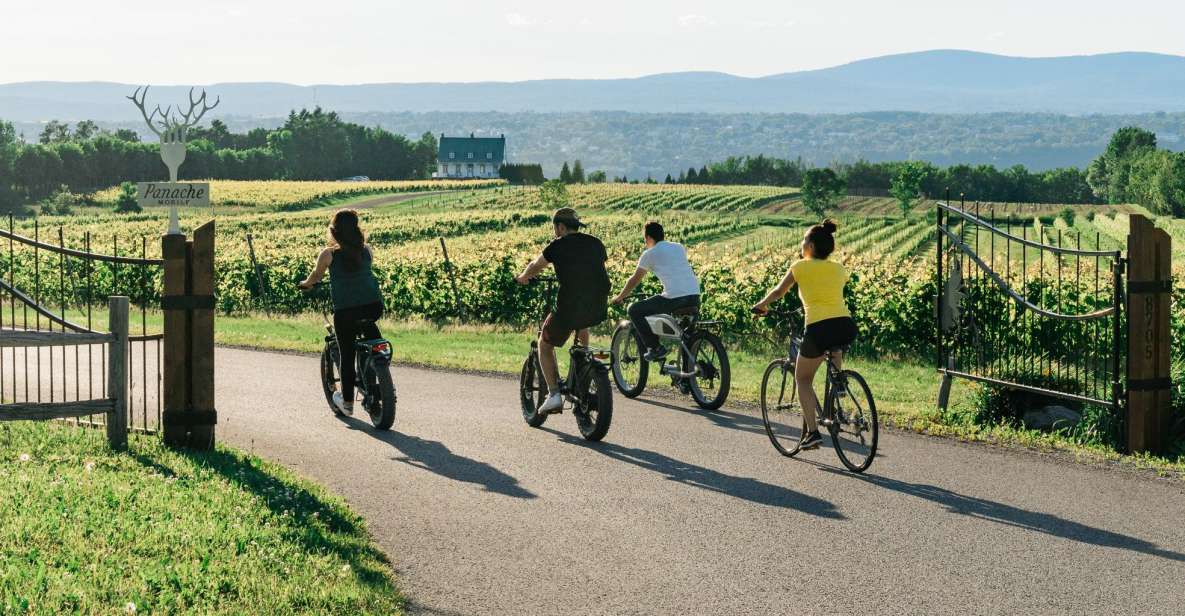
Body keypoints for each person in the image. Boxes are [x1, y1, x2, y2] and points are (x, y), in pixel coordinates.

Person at [751, 219, 857, 451]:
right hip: (845, 324)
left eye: (804, 239)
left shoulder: (800, 266)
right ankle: (839, 382)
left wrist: (762, 305)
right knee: (835, 344)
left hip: (818, 327)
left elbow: (779, 291)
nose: (801, 243)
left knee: (803, 379)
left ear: (809, 246)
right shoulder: (839, 269)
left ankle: (812, 433)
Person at [515, 207, 611, 414]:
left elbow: (536, 265)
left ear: (560, 226)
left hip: (569, 306)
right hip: (598, 304)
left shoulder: (557, 245)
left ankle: (554, 394)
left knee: (544, 344)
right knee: (582, 321)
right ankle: (584, 363)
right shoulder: (596, 243)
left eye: (555, 228)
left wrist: (523, 277)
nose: (555, 232)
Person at [298, 209, 385, 416]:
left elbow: (315, 277)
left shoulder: (328, 254)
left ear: (334, 231)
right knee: (371, 340)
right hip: (373, 307)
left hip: (346, 312)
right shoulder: (367, 250)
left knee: (347, 354)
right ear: (356, 229)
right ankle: (375, 379)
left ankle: (347, 404)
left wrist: (305, 284)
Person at [610, 221, 701, 361]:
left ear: (648, 238)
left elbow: (635, 279)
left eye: (644, 239)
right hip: (694, 295)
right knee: (687, 336)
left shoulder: (649, 254)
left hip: (675, 297)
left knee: (634, 309)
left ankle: (655, 347)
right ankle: (687, 379)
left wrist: (620, 297)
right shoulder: (678, 247)